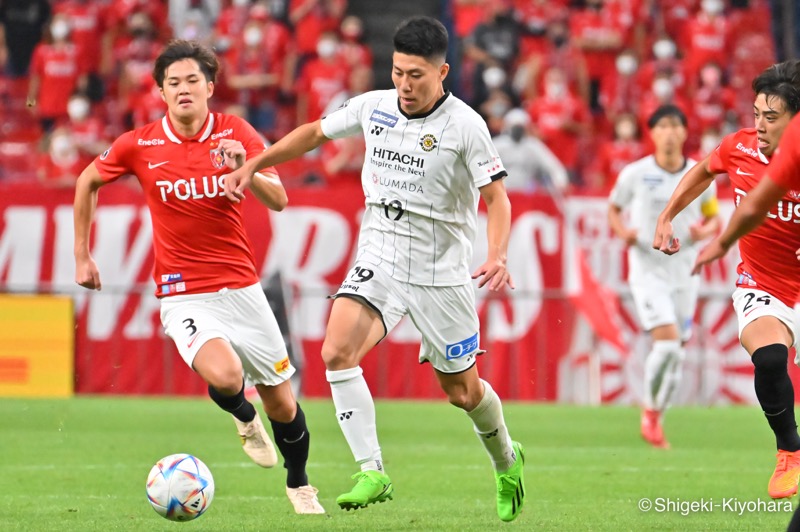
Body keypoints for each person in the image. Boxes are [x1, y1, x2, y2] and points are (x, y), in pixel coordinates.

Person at [222, 16, 526, 522]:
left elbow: (497, 198)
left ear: (442, 72)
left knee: (463, 392)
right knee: (336, 350)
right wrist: (256, 162)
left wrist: (497, 254)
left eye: (416, 76)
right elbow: (313, 133)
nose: (405, 85)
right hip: (379, 254)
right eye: (398, 72)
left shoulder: (466, 126)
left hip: (440, 273)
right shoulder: (374, 106)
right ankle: (373, 470)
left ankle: (507, 459)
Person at [72, 39, 324, 515]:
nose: (183, 89)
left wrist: (247, 170)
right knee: (228, 376)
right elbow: (87, 180)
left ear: (210, 87)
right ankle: (243, 417)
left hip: (243, 289)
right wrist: (82, 256)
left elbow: (280, 200)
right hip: (183, 294)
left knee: (285, 408)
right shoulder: (139, 144)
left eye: (192, 80)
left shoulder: (234, 132)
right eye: (173, 83)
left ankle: (299, 485)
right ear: (161, 94)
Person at [653, 60, 800, 500]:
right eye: (756, 113)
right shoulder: (739, 149)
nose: (759, 126)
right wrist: (667, 215)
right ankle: (789, 450)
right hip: (764, 285)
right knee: (771, 359)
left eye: (770, 118)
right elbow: (703, 171)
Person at [608, 104, 721, 449]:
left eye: (676, 126)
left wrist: (707, 232)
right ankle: (651, 412)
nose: (670, 132)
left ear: (686, 132)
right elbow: (613, 208)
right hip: (647, 267)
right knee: (669, 344)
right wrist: (623, 231)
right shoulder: (635, 173)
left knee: (678, 353)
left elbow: (713, 217)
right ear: (652, 133)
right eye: (663, 126)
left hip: (685, 269)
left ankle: (656, 413)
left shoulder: (700, 175)